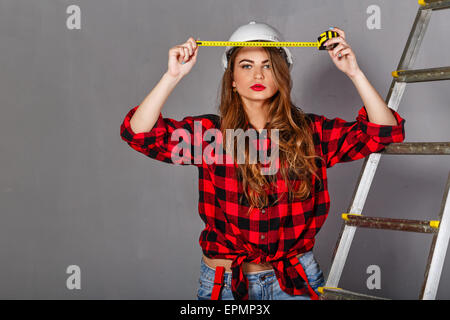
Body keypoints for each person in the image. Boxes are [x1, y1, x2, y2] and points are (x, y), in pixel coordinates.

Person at [120, 21, 406, 300]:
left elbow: (383, 131)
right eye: (246, 65)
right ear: (232, 80)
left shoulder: (310, 132)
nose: (258, 75)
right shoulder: (210, 136)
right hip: (226, 284)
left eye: (267, 65)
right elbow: (138, 134)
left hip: (295, 282)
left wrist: (353, 72)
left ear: (281, 75)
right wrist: (172, 76)